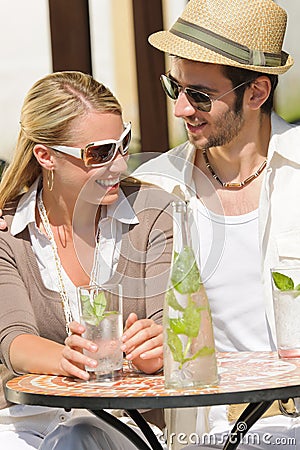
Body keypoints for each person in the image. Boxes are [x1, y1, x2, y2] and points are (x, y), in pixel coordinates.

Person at [132, 0, 300, 448]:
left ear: (257, 93)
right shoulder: (153, 188)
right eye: (176, 88)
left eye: (201, 95)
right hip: (200, 433)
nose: (181, 109)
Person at [0, 71, 173, 449]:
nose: (119, 166)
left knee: (77, 436)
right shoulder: (7, 230)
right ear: (45, 156)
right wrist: (67, 358)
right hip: (21, 423)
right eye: (99, 153)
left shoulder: (154, 213)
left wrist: (157, 348)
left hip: (125, 423)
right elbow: (13, 339)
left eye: (123, 144)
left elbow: (171, 327)